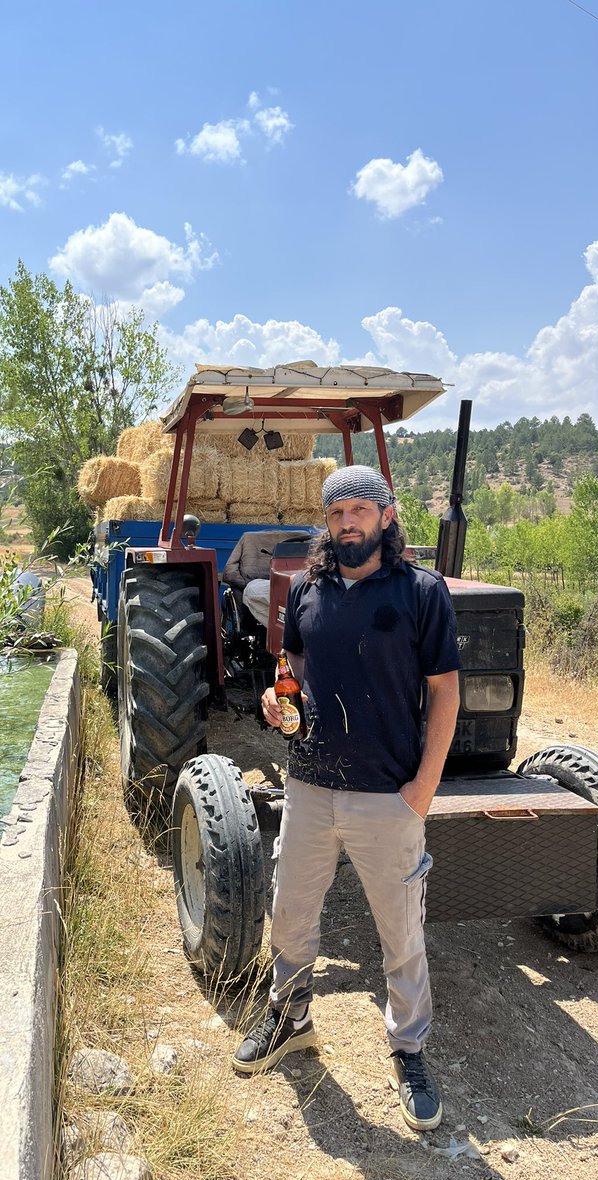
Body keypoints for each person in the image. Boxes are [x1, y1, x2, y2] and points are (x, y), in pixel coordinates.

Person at [231, 465, 460, 1133]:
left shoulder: (420, 591)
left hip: (389, 796)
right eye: (337, 514)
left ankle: (409, 1049)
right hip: (307, 785)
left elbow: (445, 691)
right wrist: (279, 698)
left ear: (387, 517)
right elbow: (293, 667)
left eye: (360, 510)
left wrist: (423, 790)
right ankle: (291, 1016)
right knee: (290, 914)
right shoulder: (306, 588)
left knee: (401, 935)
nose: (348, 522)